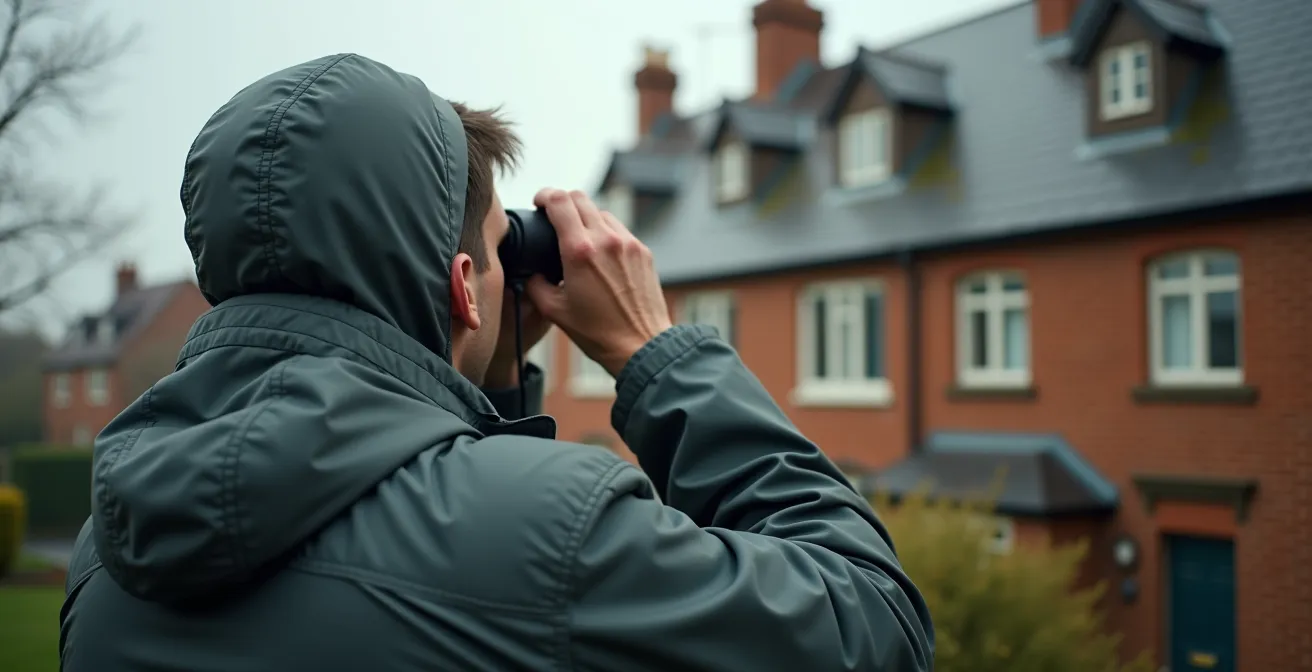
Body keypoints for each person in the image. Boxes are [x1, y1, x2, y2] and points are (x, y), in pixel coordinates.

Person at [59, 53, 934, 671]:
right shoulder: (559, 532)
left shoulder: (109, 546)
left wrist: (488, 381)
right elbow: (872, 625)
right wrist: (659, 354)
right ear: (467, 287)